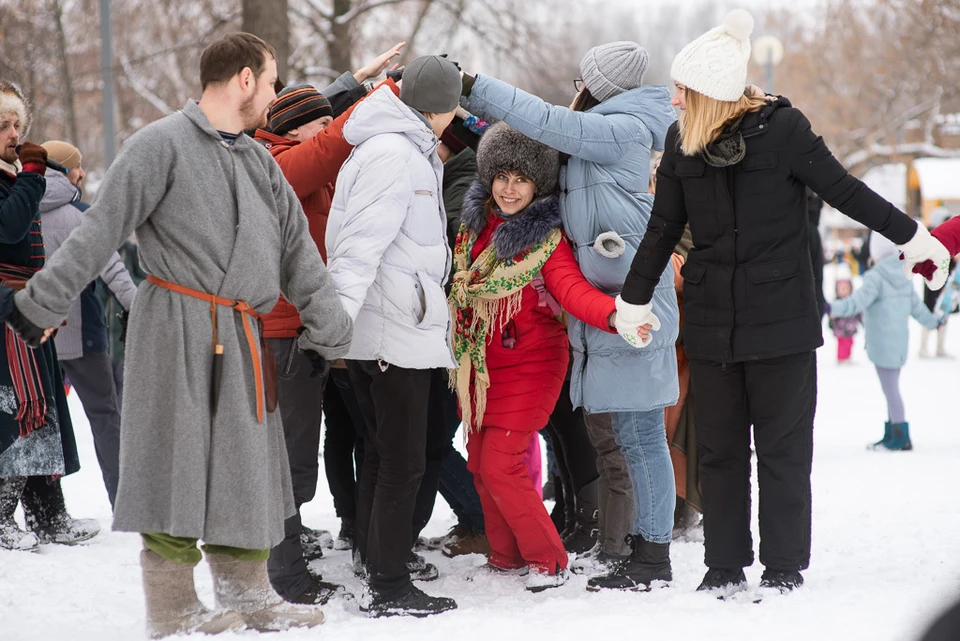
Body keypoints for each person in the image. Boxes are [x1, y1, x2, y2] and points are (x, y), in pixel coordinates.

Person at [9, 34, 354, 636]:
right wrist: (38, 305)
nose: (273, 94)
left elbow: (300, 258)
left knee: (245, 470)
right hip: (175, 327)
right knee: (175, 466)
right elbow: (98, 234)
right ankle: (173, 607)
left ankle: (248, 595)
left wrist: (333, 333)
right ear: (244, 79)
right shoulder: (158, 147)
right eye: (271, 81)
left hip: (244, 335)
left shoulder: (257, 164)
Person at [615, 9, 950, 595]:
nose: (673, 100)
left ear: (712, 95)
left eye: (683, 90)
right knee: (719, 451)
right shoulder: (681, 143)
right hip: (714, 324)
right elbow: (661, 230)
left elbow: (846, 191)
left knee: (782, 452)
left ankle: (783, 566)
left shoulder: (786, 131)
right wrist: (634, 301)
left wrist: (914, 237)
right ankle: (723, 565)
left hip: (784, 325)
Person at [458, 40, 681, 590]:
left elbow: (550, 123)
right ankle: (639, 550)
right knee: (628, 436)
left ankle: (651, 555)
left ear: (597, 85)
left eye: (582, 82)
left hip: (629, 307)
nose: (575, 93)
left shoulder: (620, 129)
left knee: (641, 437)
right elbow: (522, 158)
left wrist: (474, 86)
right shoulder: (605, 133)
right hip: (611, 309)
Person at [252, 46, 403, 605]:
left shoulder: (282, 156)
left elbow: (323, 128)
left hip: (302, 328)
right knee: (288, 459)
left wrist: (356, 83)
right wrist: (391, 93)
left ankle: (285, 554)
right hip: (284, 332)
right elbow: (330, 140)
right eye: (317, 122)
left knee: (299, 454)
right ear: (295, 130)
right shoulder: (277, 165)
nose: (327, 130)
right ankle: (284, 575)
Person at [448, 122, 617, 591]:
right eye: (502, 176)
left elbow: (572, 290)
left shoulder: (546, 242)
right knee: (481, 465)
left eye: (520, 179)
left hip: (533, 364)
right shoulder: (472, 230)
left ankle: (549, 561)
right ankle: (506, 556)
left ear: (537, 185)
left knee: (501, 463)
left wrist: (615, 315)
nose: (509, 188)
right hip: (482, 370)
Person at [324, 54, 461, 618]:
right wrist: (333, 329)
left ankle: (382, 566)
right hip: (388, 335)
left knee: (385, 455)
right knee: (401, 460)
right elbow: (357, 250)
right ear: (446, 107)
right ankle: (389, 583)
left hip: (391, 329)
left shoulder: (398, 146)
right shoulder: (393, 154)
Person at [0, 81, 98, 552]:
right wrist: (33, 176)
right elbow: (10, 226)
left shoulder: (12, 175)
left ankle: (48, 514)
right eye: (3, 125)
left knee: (45, 409)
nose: (14, 134)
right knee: (17, 411)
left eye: (17, 123)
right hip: (6, 312)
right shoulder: (12, 180)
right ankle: (1, 515)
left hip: (29, 307)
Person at [39, 140, 138, 509]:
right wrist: (142, 310)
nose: (82, 173)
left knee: (38, 422)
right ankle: (125, 500)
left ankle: (48, 511)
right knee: (105, 417)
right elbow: (114, 271)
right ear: (65, 171)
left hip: (32, 337)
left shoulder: (19, 211)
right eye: (77, 167)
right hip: (82, 336)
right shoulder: (81, 215)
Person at [829, 234, 941, 451]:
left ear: (876, 252)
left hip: (881, 344)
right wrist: (933, 322)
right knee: (891, 389)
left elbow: (856, 302)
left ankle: (900, 435)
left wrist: (831, 308)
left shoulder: (875, 277)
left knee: (891, 391)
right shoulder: (905, 276)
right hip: (899, 344)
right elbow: (917, 308)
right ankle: (892, 432)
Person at [829, 270, 860, 364]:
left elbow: (857, 312)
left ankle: (848, 357)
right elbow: (831, 314)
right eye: (842, 288)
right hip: (840, 329)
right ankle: (841, 358)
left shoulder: (852, 301)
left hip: (850, 328)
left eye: (846, 288)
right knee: (842, 344)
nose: (844, 290)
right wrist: (832, 319)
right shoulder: (836, 302)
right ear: (837, 290)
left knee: (850, 343)